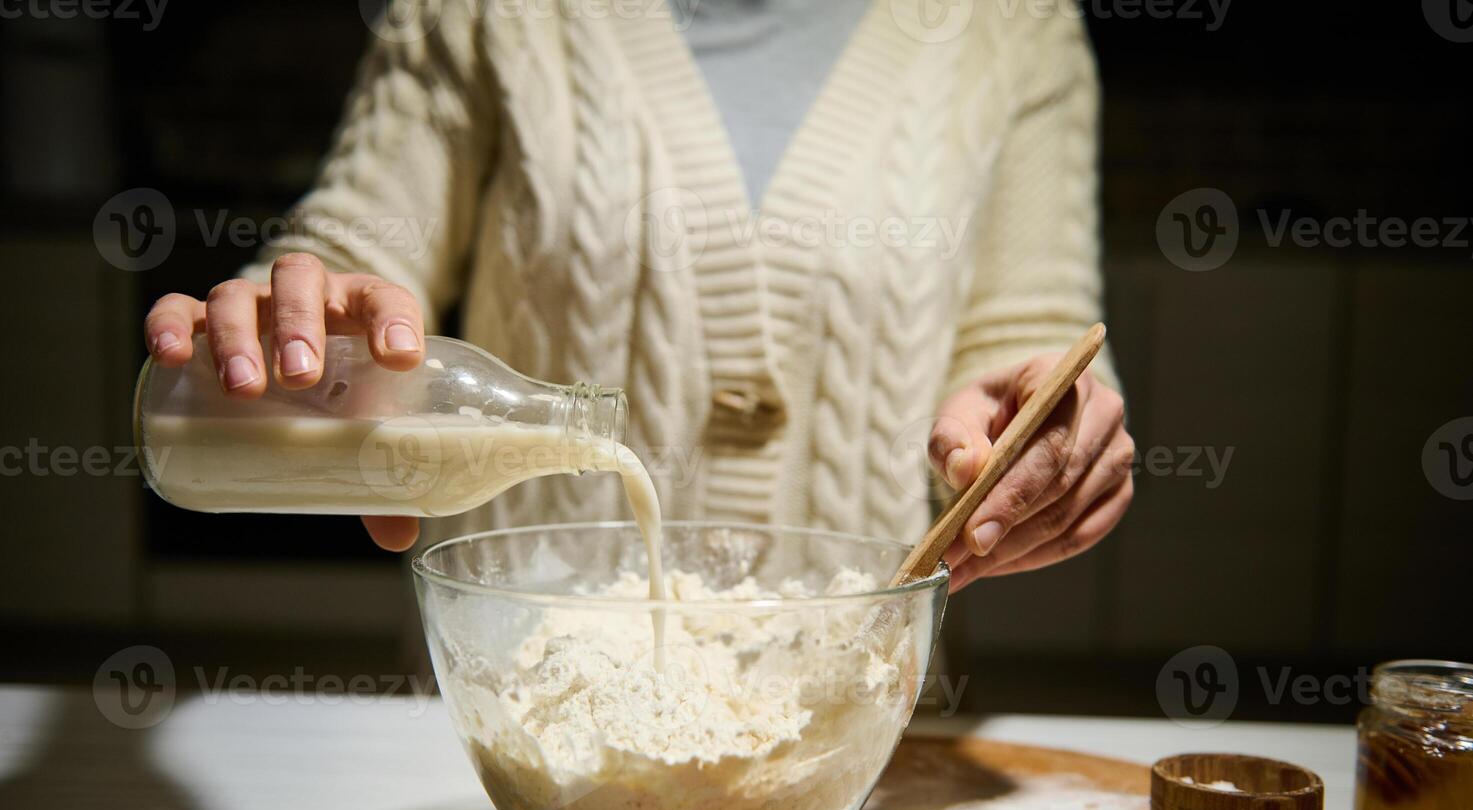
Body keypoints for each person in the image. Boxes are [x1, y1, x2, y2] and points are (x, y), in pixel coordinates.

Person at [141, 0, 1133, 593]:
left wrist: (1038, 434)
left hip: (858, 741)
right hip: (513, 732)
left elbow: (1027, 331)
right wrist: (291, 318)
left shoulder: (1015, 25)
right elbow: (356, 243)